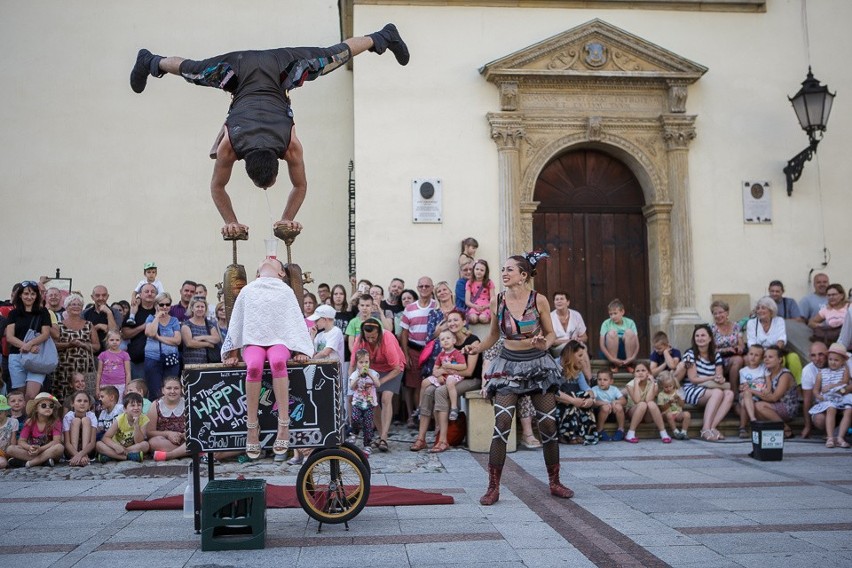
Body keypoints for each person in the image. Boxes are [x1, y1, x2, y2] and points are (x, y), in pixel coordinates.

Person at [130, 26, 409, 237]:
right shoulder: (241, 146)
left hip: (261, 69)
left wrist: (236, 221)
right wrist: (264, 220)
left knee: (329, 57)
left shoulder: (283, 145)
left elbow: (223, 186)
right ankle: (149, 61)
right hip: (257, 71)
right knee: (194, 70)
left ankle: (385, 36)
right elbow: (296, 185)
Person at [464, 252, 574, 505]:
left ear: (524, 275)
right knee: (502, 424)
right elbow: (493, 336)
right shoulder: (497, 301)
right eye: (503, 269)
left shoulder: (540, 300)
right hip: (508, 366)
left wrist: (542, 343)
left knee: (547, 424)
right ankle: (493, 487)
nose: (504, 273)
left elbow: (551, 335)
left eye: (510, 269)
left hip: (538, 365)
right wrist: (476, 348)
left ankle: (555, 482)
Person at [221, 257, 313, 459]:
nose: (268, 261)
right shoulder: (248, 290)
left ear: (282, 273)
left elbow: (295, 323)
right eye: (264, 261)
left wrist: (300, 350)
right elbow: (237, 322)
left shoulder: (286, 291)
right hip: (254, 342)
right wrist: (232, 351)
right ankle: (252, 427)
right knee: (253, 366)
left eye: (275, 262)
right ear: (257, 272)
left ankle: (283, 425)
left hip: (279, 342)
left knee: (278, 362)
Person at [411, 309, 482, 453]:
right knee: (429, 390)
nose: (452, 323)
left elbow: (468, 371)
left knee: (441, 391)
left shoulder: (472, 340)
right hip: (452, 379)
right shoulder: (448, 340)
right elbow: (439, 365)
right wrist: (438, 373)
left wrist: (444, 370)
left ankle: (443, 440)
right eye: (449, 321)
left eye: (456, 320)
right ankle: (421, 437)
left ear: (464, 322)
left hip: (472, 379)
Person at [350, 317, 404, 452]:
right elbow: (352, 364)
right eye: (368, 337)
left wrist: (379, 383)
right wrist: (352, 382)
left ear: (379, 333)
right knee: (372, 401)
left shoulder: (387, 339)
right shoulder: (360, 340)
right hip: (372, 369)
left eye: (373, 337)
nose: (371, 340)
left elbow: (396, 368)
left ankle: (384, 437)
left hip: (393, 369)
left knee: (386, 398)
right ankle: (380, 435)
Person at [682, 324, 735, 442]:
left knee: (729, 394)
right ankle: (705, 429)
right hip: (691, 389)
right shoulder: (689, 354)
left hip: (709, 389)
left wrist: (720, 379)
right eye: (697, 336)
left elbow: (719, 375)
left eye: (703, 335)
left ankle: (712, 427)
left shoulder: (716, 355)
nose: (700, 338)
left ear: (710, 338)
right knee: (717, 392)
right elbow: (693, 379)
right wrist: (712, 377)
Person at [4, 281, 53, 400]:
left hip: (37, 356)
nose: (29, 297)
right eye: (26, 294)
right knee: (20, 396)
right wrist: (27, 346)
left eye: (32, 294)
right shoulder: (14, 313)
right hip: (17, 356)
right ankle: (24, 418)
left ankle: (30, 419)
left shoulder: (43, 312)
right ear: (20, 295)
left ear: (37, 296)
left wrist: (30, 344)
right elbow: (10, 336)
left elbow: (46, 333)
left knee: (31, 395)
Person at [400, 277, 437, 427]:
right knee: (415, 385)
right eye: (421, 286)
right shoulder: (409, 308)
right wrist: (406, 355)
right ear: (417, 287)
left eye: (427, 286)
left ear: (432, 287)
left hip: (432, 351)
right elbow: (404, 333)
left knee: (432, 385)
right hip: (414, 350)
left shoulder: (436, 306)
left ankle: (430, 419)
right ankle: (419, 418)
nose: (424, 288)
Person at [745, 296, 802, 384]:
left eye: (763, 308)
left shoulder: (779, 321)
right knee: (778, 360)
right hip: (759, 353)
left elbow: (781, 339)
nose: (760, 311)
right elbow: (751, 342)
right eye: (758, 308)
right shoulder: (751, 323)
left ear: (771, 310)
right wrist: (764, 353)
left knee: (793, 358)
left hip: (777, 351)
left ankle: (799, 387)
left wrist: (772, 353)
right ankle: (776, 385)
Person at [54, 293, 100, 401]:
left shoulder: (89, 324)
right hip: (64, 369)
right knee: (63, 398)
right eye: (72, 304)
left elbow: (97, 346)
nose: (76, 306)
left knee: (85, 398)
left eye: (79, 304)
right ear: (66, 307)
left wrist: (84, 345)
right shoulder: (59, 325)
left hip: (84, 368)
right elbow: (54, 345)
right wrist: (68, 345)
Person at [554, 340, 598, 445]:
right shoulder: (555, 365)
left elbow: (587, 388)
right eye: (580, 355)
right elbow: (554, 392)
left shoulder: (577, 368)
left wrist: (591, 400)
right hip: (557, 402)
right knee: (573, 399)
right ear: (571, 354)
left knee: (584, 396)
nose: (582, 358)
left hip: (573, 401)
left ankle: (583, 434)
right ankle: (567, 435)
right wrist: (573, 400)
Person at [749, 346, 799, 439]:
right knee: (748, 406)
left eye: (770, 357)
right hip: (772, 405)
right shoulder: (766, 373)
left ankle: (785, 429)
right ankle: (773, 430)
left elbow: (774, 398)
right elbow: (757, 387)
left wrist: (751, 390)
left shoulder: (785, 375)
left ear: (780, 360)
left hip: (787, 407)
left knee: (759, 406)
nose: (766, 359)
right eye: (765, 357)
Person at [808, 343, 851, 448]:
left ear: (843, 361)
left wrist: (833, 385)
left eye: (836, 360)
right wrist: (819, 396)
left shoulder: (845, 370)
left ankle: (840, 437)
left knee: (849, 409)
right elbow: (816, 390)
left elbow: (845, 382)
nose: (833, 362)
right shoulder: (822, 373)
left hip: (841, 396)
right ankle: (830, 437)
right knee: (830, 408)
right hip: (828, 398)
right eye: (831, 359)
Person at [5, 392, 64, 468]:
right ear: (36, 408)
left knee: (59, 447)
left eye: (51, 406)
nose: (48, 408)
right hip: (33, 451)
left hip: (48, 451)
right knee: (10, 449)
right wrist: (29, 447)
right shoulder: (30, 422)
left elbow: (56, 441)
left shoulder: (55, 421)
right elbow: (21, 441)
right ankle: (43, 461)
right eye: (44, 405)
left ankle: (29, 463)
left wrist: (40, 449)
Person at [421, 330, 467, 420]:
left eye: (448, 338)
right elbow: (435, 369)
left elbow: (464, 366)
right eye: (442, 339)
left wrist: (450, 366)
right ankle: (421, 406)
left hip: (454, 375)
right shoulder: (440, 355)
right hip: (443, 375)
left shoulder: (457, 353)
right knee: (424, 382)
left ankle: (454, 408)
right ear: (440, 343)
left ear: (454, 341)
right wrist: (438, 376)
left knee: (450, 382)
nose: (445, 340)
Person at [143, 292, 182, 399]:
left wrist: (159, 338)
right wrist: (157, 317)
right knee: (155, 391)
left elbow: (178, 340)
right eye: (161, 304)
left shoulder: (174, 320)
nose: (165, 307)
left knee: (170, 390)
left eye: (167, 304)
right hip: (153, 359)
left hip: (171, 360)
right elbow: (150, 333)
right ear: (156, 305)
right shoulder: (150, 318)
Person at [623, 362, 671, 444]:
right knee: (642, 404)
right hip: (633, 413)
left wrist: (652, 383)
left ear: (648, 373)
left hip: (647, 416)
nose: (640, 373)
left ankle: (663, 433)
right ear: (634, 373)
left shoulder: (654, 384)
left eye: (643, 370)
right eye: (637, 371)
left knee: (651, 403)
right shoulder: (630, 385)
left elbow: (649, 399)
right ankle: (630, 433)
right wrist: (636, 384)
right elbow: (637, 401)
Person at [95, 392, 149, 463]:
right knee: (98, 445)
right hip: (117, 446)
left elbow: (139, 441)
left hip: (132, 448)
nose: (136, 408)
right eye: (132, 405)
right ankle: (127, 457)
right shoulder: (119, 419)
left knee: (145, 445)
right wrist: (115, 446)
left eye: (139, 405)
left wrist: (136, 425)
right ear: (125, 409)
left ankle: (112, 456)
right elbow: (106, 437)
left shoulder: (144, 419)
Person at [122, 283, 159, 380]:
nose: (150, 294)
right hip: (137, 360)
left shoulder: (160, 311)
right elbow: (125, 334)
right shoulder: (134, 311)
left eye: (153, 292)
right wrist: (143, 327)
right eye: (146, 291)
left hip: (156, 360)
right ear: (140, 295)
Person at [147, 377, 189, 461]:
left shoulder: (188, 403)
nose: (172, 391)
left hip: (185, 440)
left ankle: (170, 455)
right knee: (153, 443)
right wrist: (168, 434)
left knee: (194, 440)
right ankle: (188, 452)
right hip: (166, 441)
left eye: (176, 388)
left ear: (181, 390)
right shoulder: (155, 405)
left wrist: (184, 435)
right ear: (163, 390)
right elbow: (149, 432)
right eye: (169, 388)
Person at [348, 349, 380, 456]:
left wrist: (370, 375)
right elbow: (352, 387)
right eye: (361, 362)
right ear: (357, 363)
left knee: (368, 424)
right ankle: (355, 432)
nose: (364, 365)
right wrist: (358, 377)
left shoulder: (374, 373)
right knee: (355, 418)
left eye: (366, 362)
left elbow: (378, 384)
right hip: (357, 402)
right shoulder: (354, 374)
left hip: (369, 404)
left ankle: (367, 445)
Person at [710, 300, 744, 392]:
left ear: (727, 312)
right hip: (717, 359)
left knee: (740, 359)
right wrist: (725, 349)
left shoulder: (736, 326)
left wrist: (739, 347)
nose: (718, 316)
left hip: (733, 356)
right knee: (738, 360)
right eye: (715, 313)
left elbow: (741, 343)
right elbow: (710, 349)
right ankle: (733, 392)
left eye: (720, 312)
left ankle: (737, 392)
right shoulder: (711, 329)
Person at [599, 298, 639, 372]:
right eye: (610, 314)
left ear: (622, 312)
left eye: (615, 313)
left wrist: (633, 357)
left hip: (627, 351)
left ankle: (629, 363)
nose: (613, 316)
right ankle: (614, 364)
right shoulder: (606, 323)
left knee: (629, 332)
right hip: (610, 353)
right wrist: (611, 359)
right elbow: (602, 345)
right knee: (612, 333)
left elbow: (637, 343)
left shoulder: (630, 322)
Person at [736, 345, 767, 438]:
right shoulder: (743, 371)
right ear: (747, 355)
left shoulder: (764, 369)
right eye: (751, 354)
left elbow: (764, 386)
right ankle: (753, 419)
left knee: (744, 402)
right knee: (746, 395)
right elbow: (743, 387)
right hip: (748, 395)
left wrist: (750, 386)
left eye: (756, 355)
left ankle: (742, 428)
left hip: (759, 396)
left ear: (761, 358)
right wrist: (756, 386)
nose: (753, 357)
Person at [800, 341, 829, 439]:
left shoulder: (837, 362)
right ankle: (832, 433)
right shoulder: (807, 370)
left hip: (841, 406)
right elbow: (807, 401)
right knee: (819, 420)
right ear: (810, 357)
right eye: (813, 355)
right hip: (822, 407)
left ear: (827, 353)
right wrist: (807, 426)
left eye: (821, 354)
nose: (817, 359)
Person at [549, 291, 588, 362]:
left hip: (576, 345)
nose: (559, 301)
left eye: (561, 299)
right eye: (557, 299)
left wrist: (577, 340)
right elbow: (551, 341)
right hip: (557, 348)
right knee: (574, 349)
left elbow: (585, 337)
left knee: (581, 349)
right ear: (554, 303)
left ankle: (585, 373)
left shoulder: (576, 315)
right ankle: (584, 373)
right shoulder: (550, 317)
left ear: (568, 302)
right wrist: (569, 341)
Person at [181, 297, 221, 366]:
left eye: (202, 307)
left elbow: (216, 339)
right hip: (191, 363)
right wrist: (208, 344)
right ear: (192, 308)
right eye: (197, 306)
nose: (200, 309)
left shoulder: (209, 324)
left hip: (208, 363)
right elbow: (189, 343)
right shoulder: (186, 324)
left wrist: (201, 337)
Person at [83, 285, 122, 354]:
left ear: (108, 296)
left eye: (104, 295)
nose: (101, 298)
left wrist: (109, 313)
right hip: (90, 353)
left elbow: (114, 332)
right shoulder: (85, 313)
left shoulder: (115, 312)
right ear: (92, 297)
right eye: (97, 295)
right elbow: (83, 335)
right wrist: (98, 326)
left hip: (110, 354)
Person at [62, 390, 97, 466]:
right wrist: (76, 455)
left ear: (89, 405)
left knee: (86, 420)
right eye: (79, 401)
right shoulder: (68, 417)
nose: (82, 403)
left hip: (88, 451)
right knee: (76, 421)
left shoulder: (92, 416)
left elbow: (92, 443)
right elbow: (67, 443)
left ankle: (82, 457)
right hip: (71, 451)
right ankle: (75, 457)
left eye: (85, 401)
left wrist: (82, 454)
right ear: (72, 404)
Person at [95, 330, 131, 401]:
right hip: (105, 385)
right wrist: (97, 388)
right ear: (107, 341)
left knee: (119, 406)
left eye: (117, 340)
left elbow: (128, 373)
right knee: (105, 404)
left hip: (120, 385)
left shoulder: (125, 355)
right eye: (112, 340)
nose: (114, 342)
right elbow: (99, 373)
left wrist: (127, 388)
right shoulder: (103, 355)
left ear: (120, 341)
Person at [591, 369, 626, 441]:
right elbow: (593, 402)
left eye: (605, 380)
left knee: (618, 406)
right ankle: (599, 430)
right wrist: (605, 403)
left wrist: (615, 401)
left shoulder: (614, 389)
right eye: (599, 379)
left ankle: (621, 430)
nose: (602, 382)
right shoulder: (594, 389)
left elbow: (624, 401)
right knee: (605, 407)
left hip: (613, 413)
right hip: (600, 413)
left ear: (611, 381)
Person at [656, 371, 690, 440]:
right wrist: (669, 403)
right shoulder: (661, 395)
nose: (668, 388)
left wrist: (679, 399)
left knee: (687, 414)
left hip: (677, 413)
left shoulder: (677, 392)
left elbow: (682, 405)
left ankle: (684, 432)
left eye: (670, 386)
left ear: (674, 384)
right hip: (666, 414)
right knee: (668, 415)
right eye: (666, 387)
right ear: (661, 386)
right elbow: (662, 408)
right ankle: (676, 432)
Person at [465, 259, 495, 324]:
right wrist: (475, 306)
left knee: (482, 318)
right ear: (474, 270)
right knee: (473, 319)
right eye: (477, 269)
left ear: (485, 272)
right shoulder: (469, 283)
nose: (479, 271)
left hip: (486, 307)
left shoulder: (489, 282)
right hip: (474, 306)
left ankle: (489, 318)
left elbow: (493, 300)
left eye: (482, 270)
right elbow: (467, 301)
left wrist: (486, 306)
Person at [0, 395, 19, 470]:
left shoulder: (13, 422)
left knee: (3, 463)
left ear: (5, 412)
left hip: (6, 452)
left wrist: (11, 453)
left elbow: (13, 440)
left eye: (0, 412)